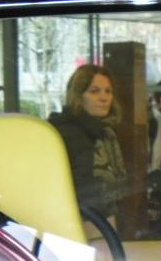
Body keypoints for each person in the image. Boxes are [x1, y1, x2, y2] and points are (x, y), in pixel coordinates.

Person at [48, 64, 128, 222]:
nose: (104, 98)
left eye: (108, 91)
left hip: (104, 219)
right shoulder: (63, 133)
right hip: (76, 221)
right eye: (94, 91)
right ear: (78, 95)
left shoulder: (106, 132)